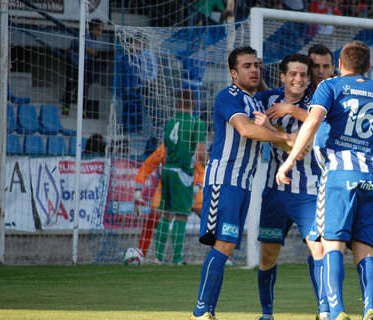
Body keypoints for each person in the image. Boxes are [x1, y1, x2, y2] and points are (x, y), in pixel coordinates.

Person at [276, 40, 373, 320]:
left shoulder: (330, 86)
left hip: (339, 175)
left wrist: (289, 161)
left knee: (332, 244)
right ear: (368, 66)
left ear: (339, 64)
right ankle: (369, 306)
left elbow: (312, 122)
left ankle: (336, 311)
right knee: (365, 248)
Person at [189, 47, 295, 320]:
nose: (254, 70)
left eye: (257, 65)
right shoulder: (228, 96)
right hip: (224, 180)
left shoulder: (257, 101)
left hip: (244, 185)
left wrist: (281, 133)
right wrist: (286, 140)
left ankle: (207, 311)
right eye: (247, 66)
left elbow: (270, 116)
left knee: (227, 246)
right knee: (223, 245)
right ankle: (201, 311)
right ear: (233, 73)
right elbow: (246, 129)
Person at [254, 54, 328, 320]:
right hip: (275, 194)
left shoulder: (317, 104)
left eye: (303, 75)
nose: (298, 79)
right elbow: (256, 129)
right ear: (283, 77)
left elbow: (304, 148)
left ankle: (325, 310)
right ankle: (267, 314)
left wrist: (273, 128)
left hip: (309, 193)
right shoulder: (268, 100)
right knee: (267, 256)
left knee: (319, 249)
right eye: (293, 74)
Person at [133, 89, 206, 265]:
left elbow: (155, 158)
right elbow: (201, 157)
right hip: (184, 175)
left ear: (177, 104)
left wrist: (138, 187)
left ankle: (157, 257)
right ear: (194, 105)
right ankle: (177, 258)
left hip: (167, 173)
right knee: (182, 216)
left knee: (164, 214)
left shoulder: (169, 123)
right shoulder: (197, 123)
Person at [116, 32, 158, 134]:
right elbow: (123, 73)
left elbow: (141, 72)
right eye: (132, 44)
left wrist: (144, 81)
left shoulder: (140, 57)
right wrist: (124, 85)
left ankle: (138, 127)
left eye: (135, 44)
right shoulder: (124, 58)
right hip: (126, 87)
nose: (134, 46)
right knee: (127, 107)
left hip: (137, 86)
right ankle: (125, 127)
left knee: (138, 106)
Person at [62, 19, 105, 116]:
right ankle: (66, 107)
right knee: (70, 84)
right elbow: (77, 44)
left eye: (101, 30)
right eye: (98, 30)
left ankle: (82, 110)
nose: (100, 33)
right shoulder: (84, 35)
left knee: (85, 86)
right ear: (92, 28)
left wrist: (95, 56)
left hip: (82, 64)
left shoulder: (94, 39)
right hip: (73, 62)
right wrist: (92, 51)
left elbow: (91, 52)